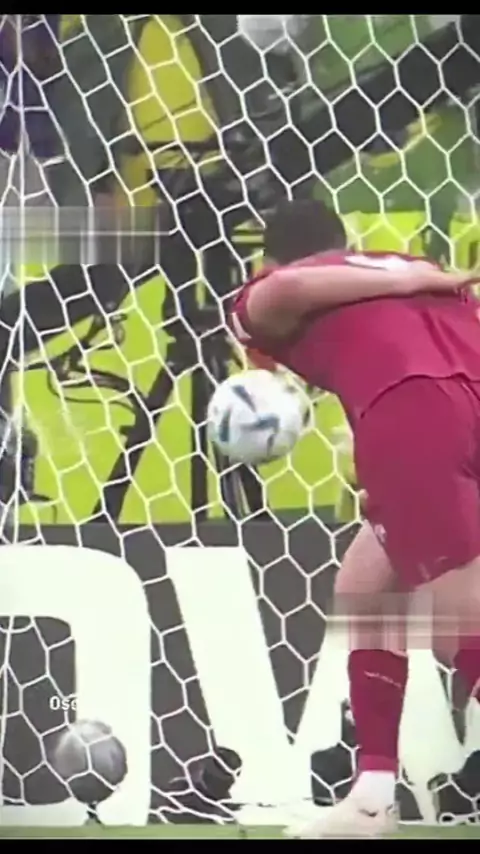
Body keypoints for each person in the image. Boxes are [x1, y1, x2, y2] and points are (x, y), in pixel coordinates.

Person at [228, 197, 480, 838]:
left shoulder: (266, 293)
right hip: (464, 398)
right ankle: (372, 797)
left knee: (458, 624)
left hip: (415, 410)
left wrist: (415, 280)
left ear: (268, 259)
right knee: (366, 588)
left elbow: (291, 287)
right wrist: (421, 278)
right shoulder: (408, 265)